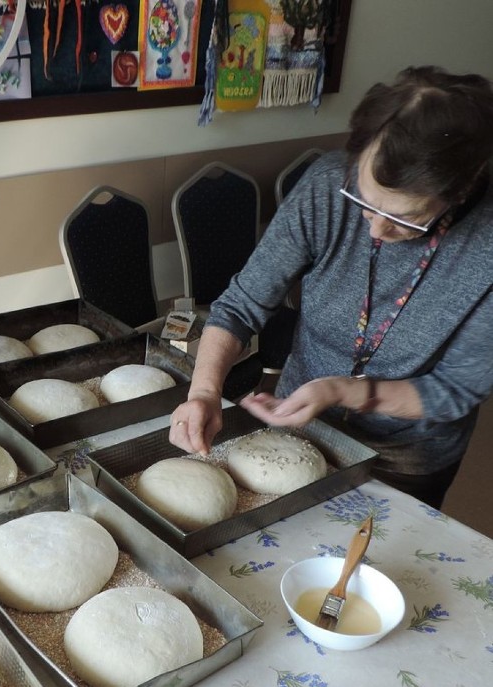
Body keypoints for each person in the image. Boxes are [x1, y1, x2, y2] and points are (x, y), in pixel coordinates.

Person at [170, 66, 493, 509]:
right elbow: (242, 305)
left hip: (408, 454)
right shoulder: (327, 186)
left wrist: (340, 391)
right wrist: (204, 392)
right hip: (301, 426)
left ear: (461, 190)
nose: (376, 229)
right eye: (365, 201)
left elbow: (456, 389)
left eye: (405, 218)